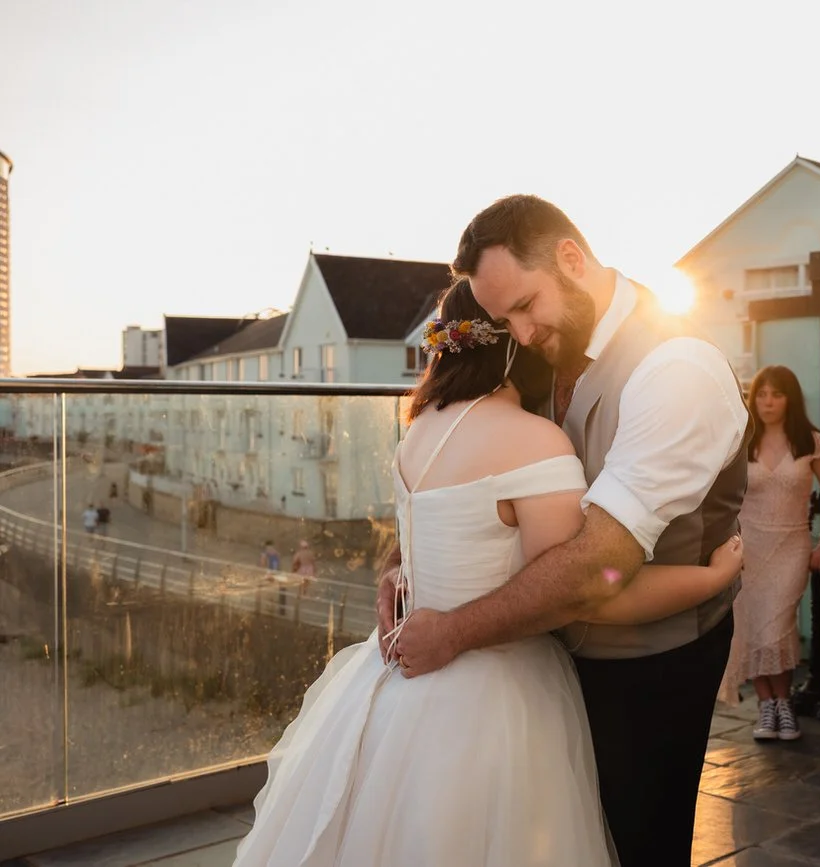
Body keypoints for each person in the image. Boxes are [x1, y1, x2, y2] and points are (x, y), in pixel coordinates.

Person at [235, 280, 744, 866]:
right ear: (510, 344)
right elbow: (582, 592)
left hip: (405, 680)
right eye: (520, 321)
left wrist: (402, 572)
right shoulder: (534, 440)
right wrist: (712, 579)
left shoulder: (418, 430)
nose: (537, 336)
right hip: (500, 684)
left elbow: (422, 534)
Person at [376, 195, 750, 867]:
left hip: (651, 664)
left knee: (637, 842)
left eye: (525, 305)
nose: (517, 334)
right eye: (501, 320)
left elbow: (591, 570)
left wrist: (452, 628)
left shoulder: (675, 369)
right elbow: (466, 484)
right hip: (544, 656)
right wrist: (406, 564)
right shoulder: (541, 354)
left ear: (571, 260)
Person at [718, 365, 820, 742]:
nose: (768, 402)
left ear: (791, 399)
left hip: (791, 546)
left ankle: (784, 702)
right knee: (752, 626)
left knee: (778, 625)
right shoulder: (743, 440)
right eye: (762, 394)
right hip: (748, 548)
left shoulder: (810, 441)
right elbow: (723, 494)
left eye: (777, 394)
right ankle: (767, 706)